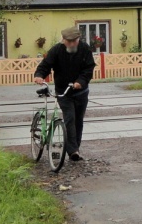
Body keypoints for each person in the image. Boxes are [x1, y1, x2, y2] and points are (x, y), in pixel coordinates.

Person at [34, 26, 96, 162]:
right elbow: (45, 65)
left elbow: (89, 68)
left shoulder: (85, 49)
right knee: (70, 119)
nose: (72, 44)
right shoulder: (57, 50)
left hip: (81, 92)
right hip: (63, 92)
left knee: (78, 121)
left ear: (79, 39)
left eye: (75, 41)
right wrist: (39, 76)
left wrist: (81, 81)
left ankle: (75, 150)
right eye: (69, 41)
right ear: (63, 40)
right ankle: (73, 150)